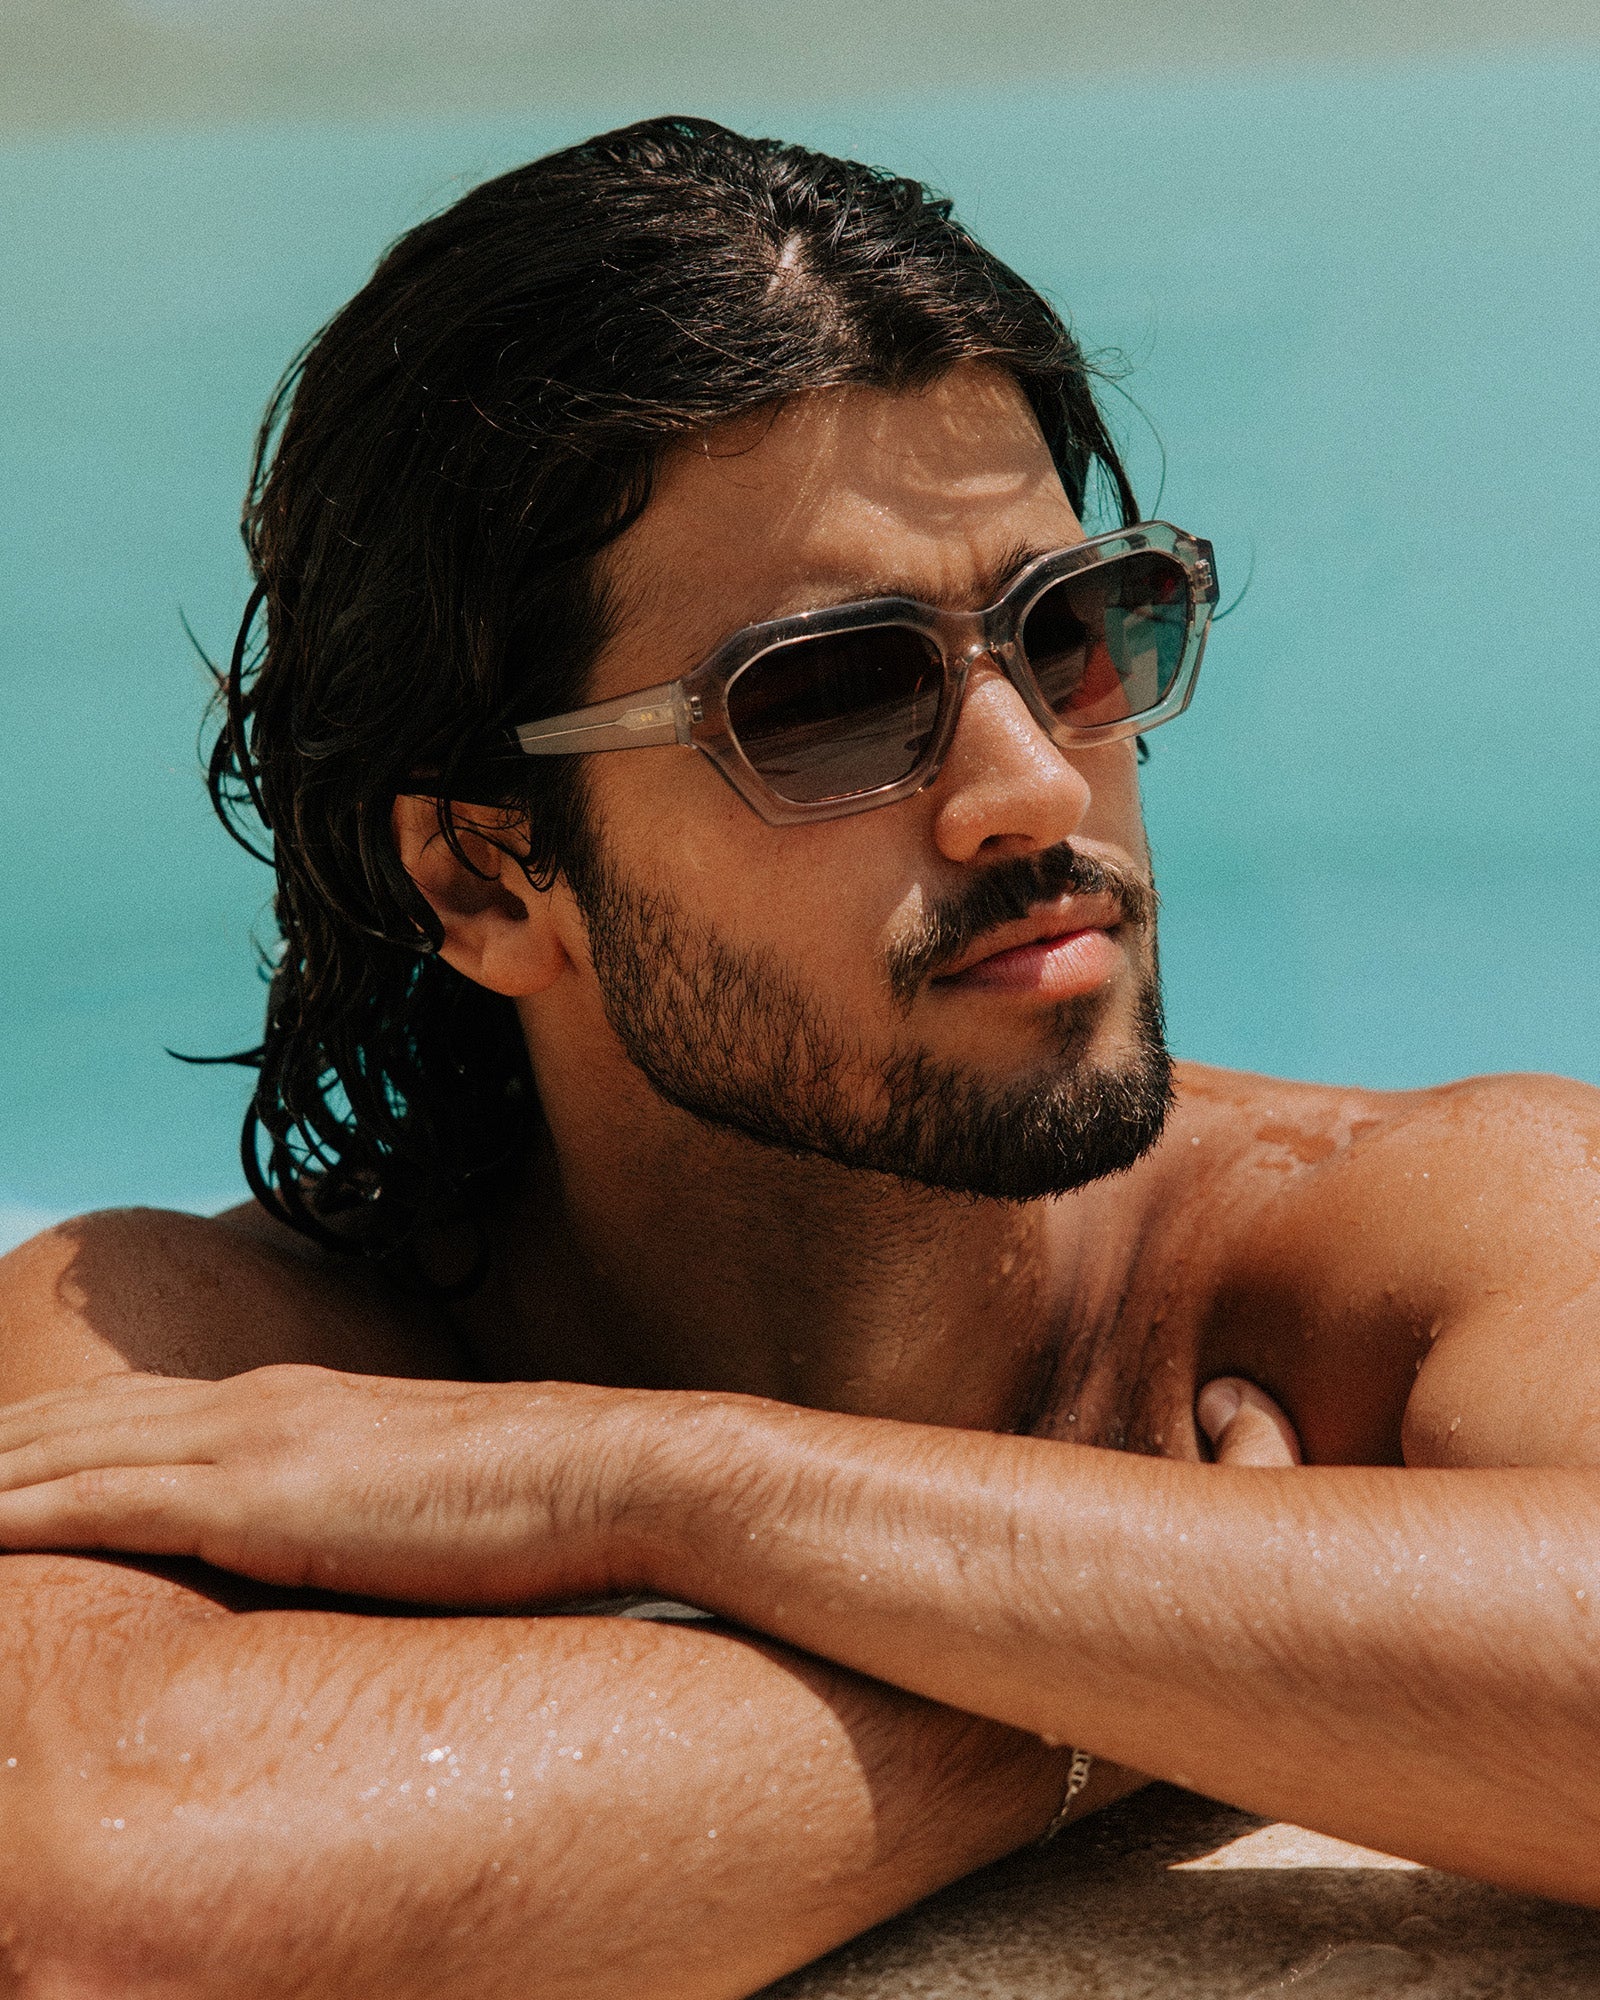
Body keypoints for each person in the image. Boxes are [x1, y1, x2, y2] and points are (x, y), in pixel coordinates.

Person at [1, 114, 1597, 1998]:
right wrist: (1151, 1683)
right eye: (831, 696)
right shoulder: (206, 1362)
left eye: (1074, 632)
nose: (1032, 788)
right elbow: (103, 1909)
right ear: (487, 873)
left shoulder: (1416, 1226)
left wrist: (666, 1486)